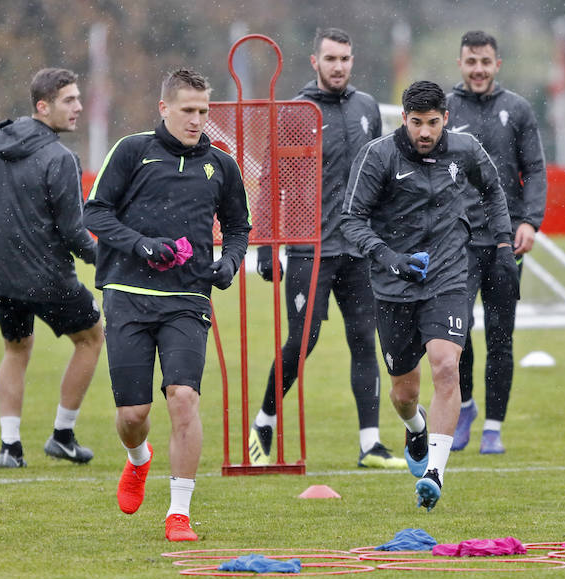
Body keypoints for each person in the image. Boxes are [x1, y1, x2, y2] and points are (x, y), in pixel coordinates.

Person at [83, 68, 251, 541]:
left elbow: (238, 227)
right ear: (164, 108)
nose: (197, 120)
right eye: (188, 111)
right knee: (133, 415)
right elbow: (94, 212)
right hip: (128, 295)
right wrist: (142, 245)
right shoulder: (132, 151)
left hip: (188, 298)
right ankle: (138, 458)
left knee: (183, 397)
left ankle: (179, 512)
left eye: (203, 111)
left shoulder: (222, 165)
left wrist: (230, 262)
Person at [341, 81, 515, 510]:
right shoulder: (379, 156)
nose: (424, 132)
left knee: (446, 366)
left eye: (433, 123)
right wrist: (390, 258)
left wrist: (503, 244)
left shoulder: (466, 150)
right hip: (394, 286)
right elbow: (352, 219)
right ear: (403, 118)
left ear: (445, 119)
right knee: (404, 393)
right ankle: (415, 427)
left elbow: (493, 190)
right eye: (416, 122)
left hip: (449, 276)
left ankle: (434, 473)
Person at [249, 28, 406, 470]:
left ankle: (371, 445)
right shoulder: (295, 111)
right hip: (308, 248)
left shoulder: (367, 107)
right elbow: (270, 180)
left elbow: (380, 176)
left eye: (345, 58)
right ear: (315, 62)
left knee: (364, 340)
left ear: (352, 61)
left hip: (359, 249)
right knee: (302, 342)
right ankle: (264, 420)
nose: (339, 66)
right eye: (331, 58)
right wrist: (266, 245)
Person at [0, 68, 104, 469]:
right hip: (47, 277)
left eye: (78, 98)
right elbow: (74, 233)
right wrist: (106, 258)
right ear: (43, 106)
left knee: (16, 348)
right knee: (92, 337)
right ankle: (63, 435)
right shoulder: (61, 158)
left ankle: (10, 448)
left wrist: (9, 234)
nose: (78, 107)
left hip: (0, 274)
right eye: (69, 100)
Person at [446, 30, 547, 455]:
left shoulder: (517, 109)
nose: (478, 69)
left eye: (485, 62)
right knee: (457, 333)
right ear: (460, 63)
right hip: (458, 241)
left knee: (501, 336)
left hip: (506, 240)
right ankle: (466, 407)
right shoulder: (445, 109)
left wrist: (530, 222)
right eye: (471, 61)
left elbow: (535, 169)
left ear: (497, 64)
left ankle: (493, 428)